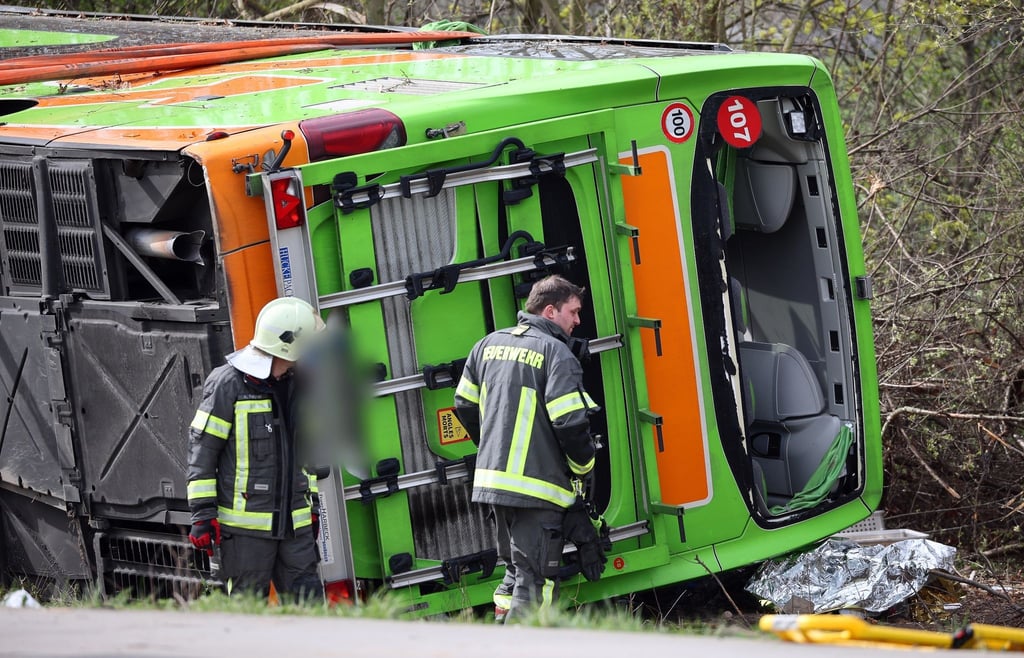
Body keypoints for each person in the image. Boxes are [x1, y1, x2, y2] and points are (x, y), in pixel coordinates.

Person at [454, 275, 598, 623]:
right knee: (536, 585)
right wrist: (584, 470)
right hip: (535, 490)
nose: (578, 321)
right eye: (573, 312)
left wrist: (492, 448)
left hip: (494, 486)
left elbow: (463, 404)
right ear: (550, 310)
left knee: (514, 576)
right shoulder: (555, 353)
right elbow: (570, 423)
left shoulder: (486, 345)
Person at [186, 296, 326, 601]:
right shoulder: (228, 385)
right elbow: (202, 453)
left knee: (313, 614)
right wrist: (202, 515)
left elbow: (309, 458)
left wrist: (311, 507)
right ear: (289, 346)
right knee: (248, 617)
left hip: (296, 530)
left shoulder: (300, 387)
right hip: (246, 535)